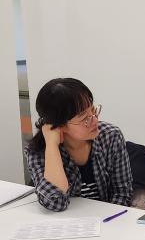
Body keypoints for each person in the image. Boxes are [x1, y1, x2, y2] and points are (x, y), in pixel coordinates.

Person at [25, 78, 133, 211]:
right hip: (67, 225)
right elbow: (55, 203)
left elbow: (122, 194)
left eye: (93, 111)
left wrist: (109, 223)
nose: (94, 120)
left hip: (107, 221)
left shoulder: (110, 136)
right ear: (59, 125)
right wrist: (52, 146)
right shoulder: (39, 150)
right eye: (84, 119)